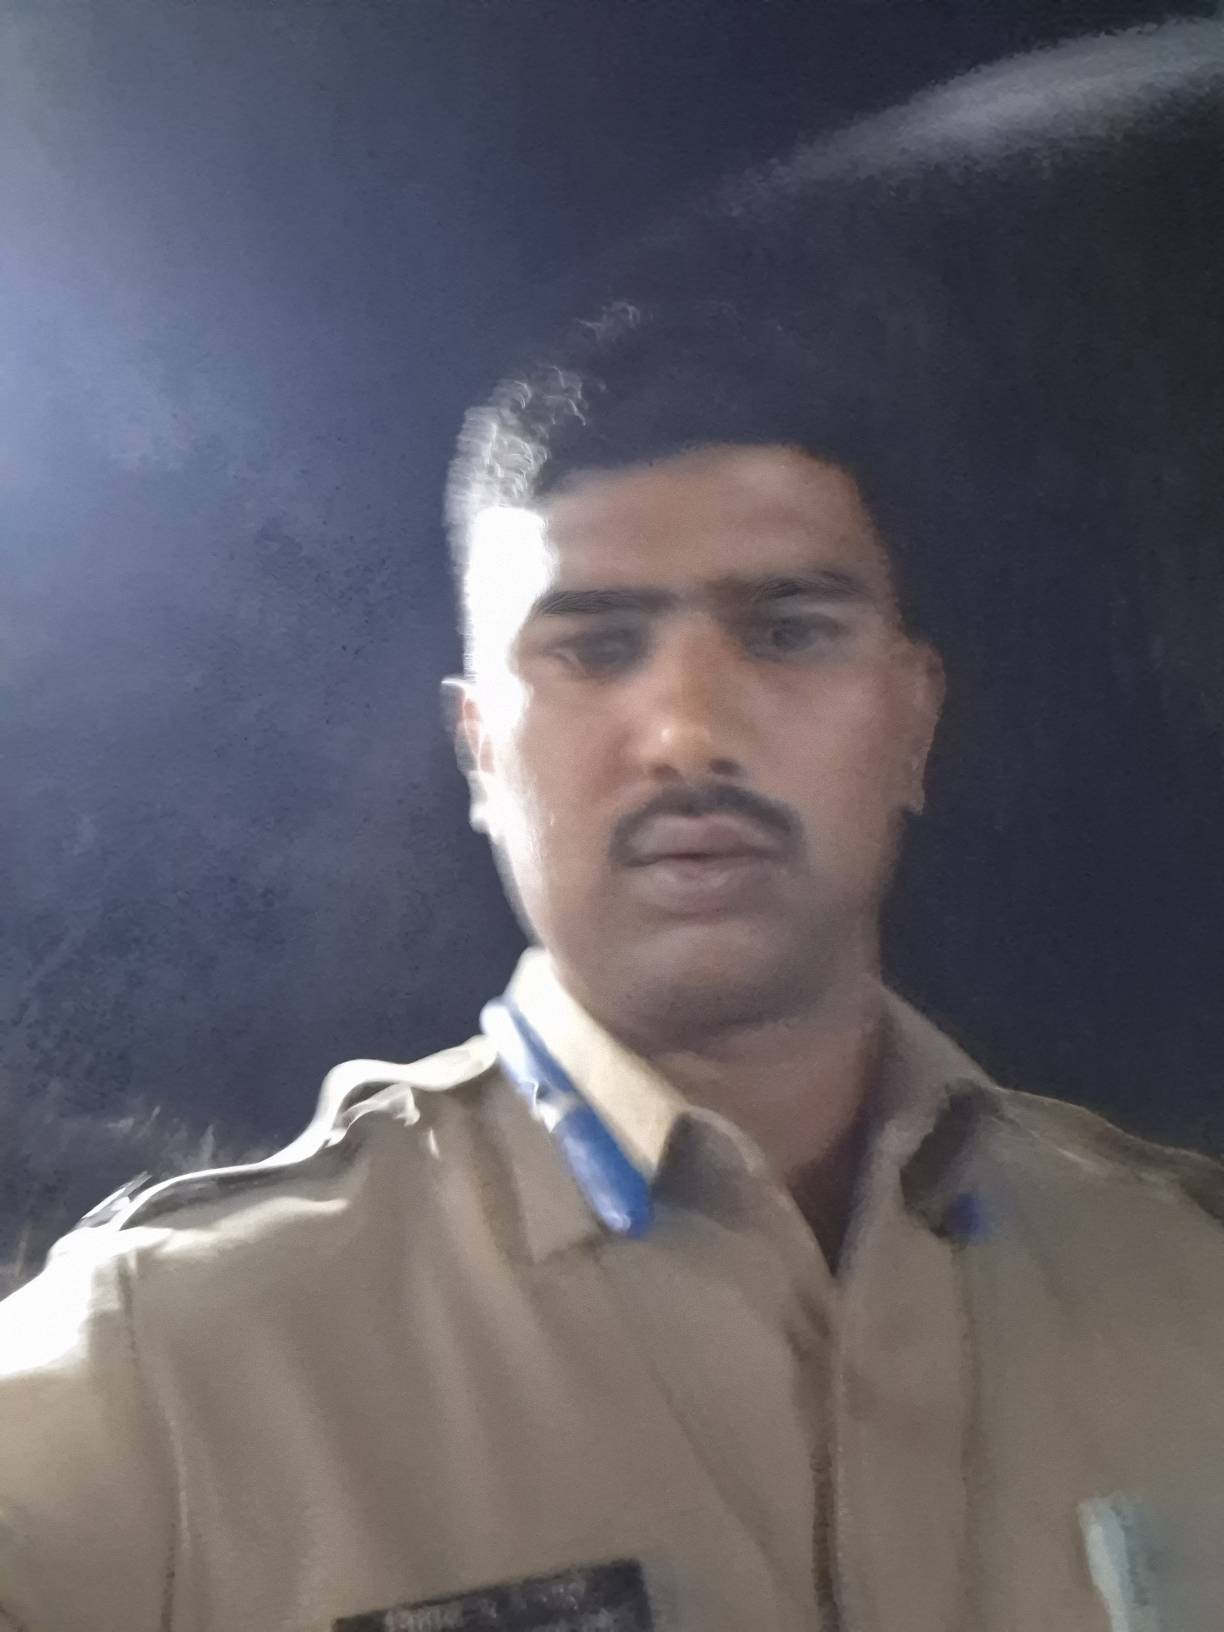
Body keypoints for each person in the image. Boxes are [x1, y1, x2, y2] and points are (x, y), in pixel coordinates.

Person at [3, 301, 1224, 1632]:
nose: (689, 733)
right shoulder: (173, 1363)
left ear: (913, 719)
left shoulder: (1185, 1278)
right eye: (593, 646)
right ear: (480, 752)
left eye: (788, 631)